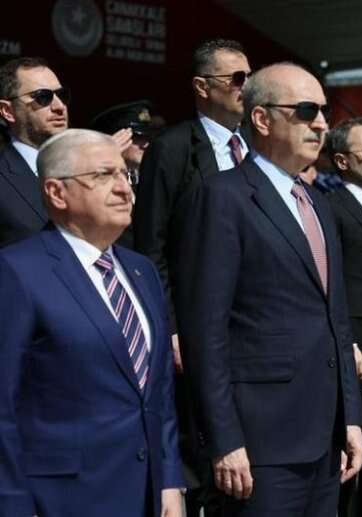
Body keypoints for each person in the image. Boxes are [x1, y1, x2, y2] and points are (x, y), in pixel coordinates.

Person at [173, 62, 362, 517]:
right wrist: (224, 439)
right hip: (259, 441)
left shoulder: (318, 203)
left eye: (324, 111)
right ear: (261, 118)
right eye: (306, 111)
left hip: (326, 438)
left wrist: (351, 419)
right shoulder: (222, 197)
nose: (321, 124)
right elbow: (205, 330)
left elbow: (335, 319)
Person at [0, 129, 184, 516]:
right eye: (103, 175)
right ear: (56, 192)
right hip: (60, 499)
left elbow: (159, 391)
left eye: (124, 174)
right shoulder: (17, 272)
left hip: (148, 495)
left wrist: (169, 480)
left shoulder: (142, 271)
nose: (124, 189)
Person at [131, 38, 252, 517]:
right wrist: (171, 327)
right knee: (208, 459)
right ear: (203, 87)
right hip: (198, 328)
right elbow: (151, 247)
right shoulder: (173, 148)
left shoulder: (258, 147)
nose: (247, 86)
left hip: (256, 327)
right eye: (237, 78)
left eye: (250, 76)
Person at [326, 116, 362, 517]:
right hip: (357, 349)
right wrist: (346, 341)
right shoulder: (331, 208)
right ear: (342, 161)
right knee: (356, 460)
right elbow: (332, 283)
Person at [0, 57, 69, 247]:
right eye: (42, 97)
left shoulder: (88, 167)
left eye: (61, 95)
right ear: (7, 111)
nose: (59, 106)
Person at [91, 100, 157, 249]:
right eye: (138, 137)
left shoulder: (150, 179)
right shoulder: (96, 183)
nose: (146, 144)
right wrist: (104, 157)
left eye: (148, 137)